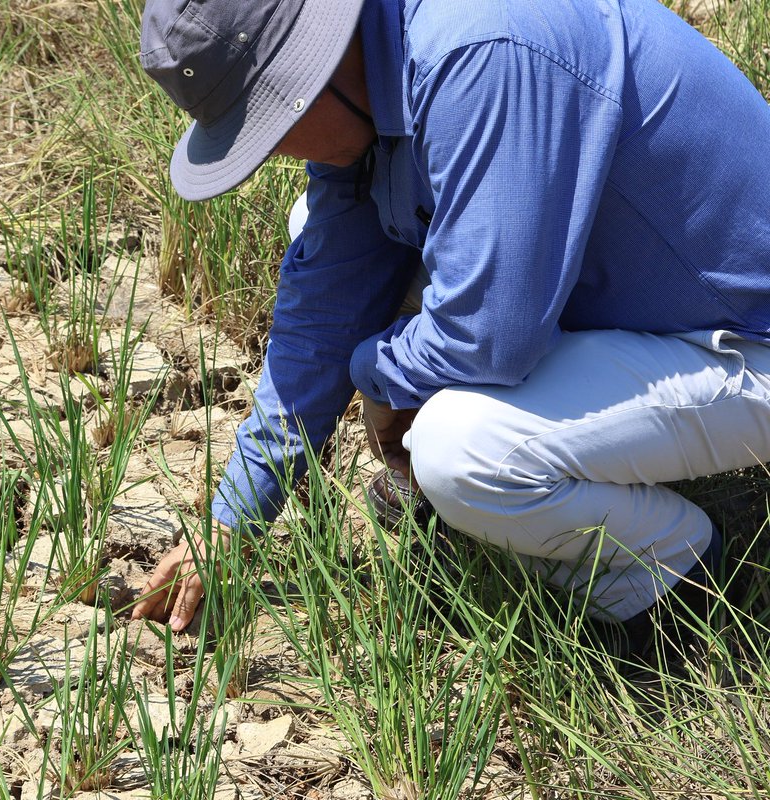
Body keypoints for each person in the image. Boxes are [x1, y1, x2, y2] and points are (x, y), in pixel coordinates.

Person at [130, 0, 770, 657]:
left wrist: (377, 378)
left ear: (312, 73)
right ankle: (497, 499)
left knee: (462, 450)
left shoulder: (480, 52)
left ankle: (670, 577)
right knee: (316, 231)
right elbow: (328, 305)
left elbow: (488, 338)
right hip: (637, 310)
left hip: (746, 342)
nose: (269, 152)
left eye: (263, 127)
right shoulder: (383, 71)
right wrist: (235, 519)